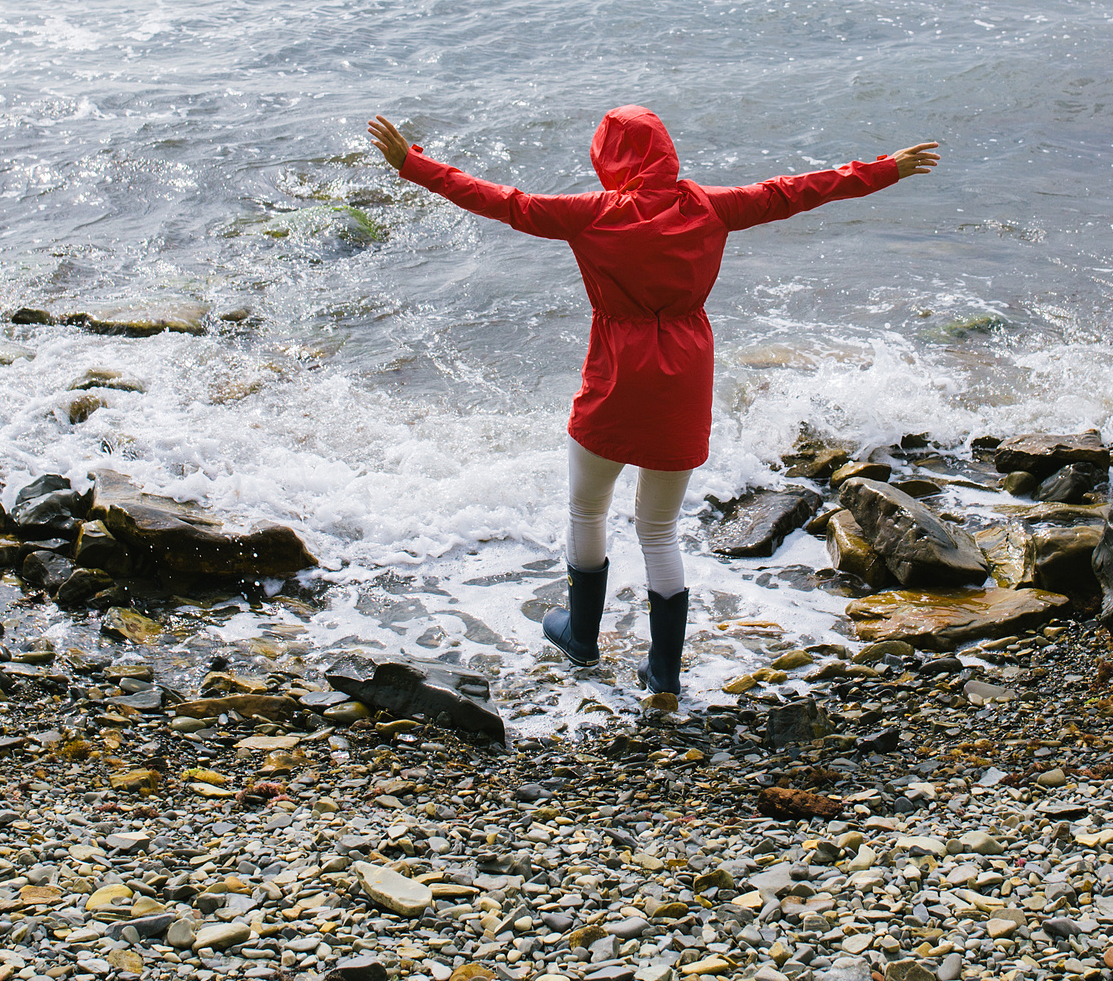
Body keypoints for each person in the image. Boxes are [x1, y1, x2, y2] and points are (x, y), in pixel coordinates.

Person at [366, 107, 940, 696]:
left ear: (608, 157)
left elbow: (502, 201)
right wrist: (885, 169)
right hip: (683, 381)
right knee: (659, 529)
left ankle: (581, 637)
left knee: (587, 509)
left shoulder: (592, 213)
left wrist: (412, 164)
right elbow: (796, 191)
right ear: (665, 152)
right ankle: (664, 670)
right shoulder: (712, 206)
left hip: (615, 378)